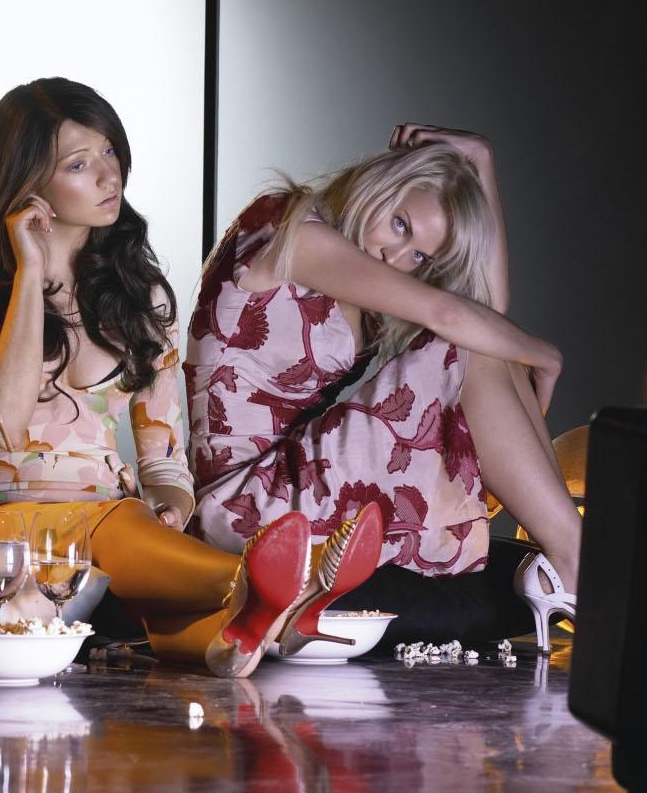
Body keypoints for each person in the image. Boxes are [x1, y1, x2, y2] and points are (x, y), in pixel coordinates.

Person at [0, 78, 382, 676]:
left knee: (137, 536)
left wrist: (171, 502)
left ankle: (240, 631)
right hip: (6, 515)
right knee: (115, 524)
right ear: (26, 181)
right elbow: (0, 427)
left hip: (117, 515)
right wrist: (30, 272)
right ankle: (286, 583)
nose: (108, 175)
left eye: (109, 151)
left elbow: (163, 458)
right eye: (79, 164)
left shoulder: (139, 294)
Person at [187, 125, 578, 650]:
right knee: (467, 340)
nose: (396, 256)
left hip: (289, 478)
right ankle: (576, 559)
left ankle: (573, 556)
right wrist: (545, 355)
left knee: (482, 340)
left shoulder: (362, 276)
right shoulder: (289, 227)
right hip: (242, 502)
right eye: (400, 224)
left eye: (418, 256)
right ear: (380, 184)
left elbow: (486, 311)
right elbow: (456, 317)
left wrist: (482, 161)